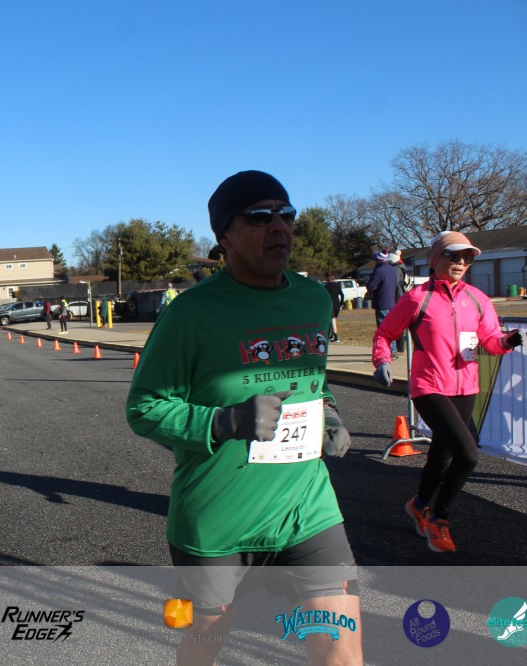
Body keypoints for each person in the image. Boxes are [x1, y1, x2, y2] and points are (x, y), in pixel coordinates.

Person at [127, 170, 361, 665]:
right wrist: (223, 422)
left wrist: (329, 412)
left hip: (307, 508)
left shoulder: (313, 299)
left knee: (341, 649)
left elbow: (313, 379)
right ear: (225, 238)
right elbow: (144, 407)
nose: (279, 227)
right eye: (258, 217)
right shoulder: (190, 314)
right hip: (218, 520)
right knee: (203, 641)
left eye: (287, 214)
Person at [372, 231, 521, 553]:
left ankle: (419, 505)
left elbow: (490, 341)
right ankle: (439, 519)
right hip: (429, 387)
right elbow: (384, 334)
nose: (460, 263)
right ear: (435, 258)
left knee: (442, 456)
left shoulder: (478, 299)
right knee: (468, 455)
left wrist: (506, 342)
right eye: (453, 256)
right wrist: (382, 360)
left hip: (466, 386)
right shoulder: (417, 298)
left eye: (467, 258)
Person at [368, 249, 399, 357]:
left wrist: (370, 292)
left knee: (383, 328)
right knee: (391, 327)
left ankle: (387, 350)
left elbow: (372, 286)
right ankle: (393, 349)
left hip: (382, 302)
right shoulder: (392, 269)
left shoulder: (379, 271)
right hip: (392, 302)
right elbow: (396, 285)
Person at [389, 250, 411, 354]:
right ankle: (399, 346)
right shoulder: (400, 267)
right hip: (399, 295)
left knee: (397, 323)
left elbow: (395, 283)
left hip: (397, 296)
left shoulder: (396, 269)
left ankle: (400, 346)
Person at [323, 272, 344, 342]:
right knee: (333, 320)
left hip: (330, 305)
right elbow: (342, 295)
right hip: (337, 305)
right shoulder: (337, 285)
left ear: (327, 279)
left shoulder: (326, 287)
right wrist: (341, 303)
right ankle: (331, 336)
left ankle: (335, 336)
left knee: (332, 320)